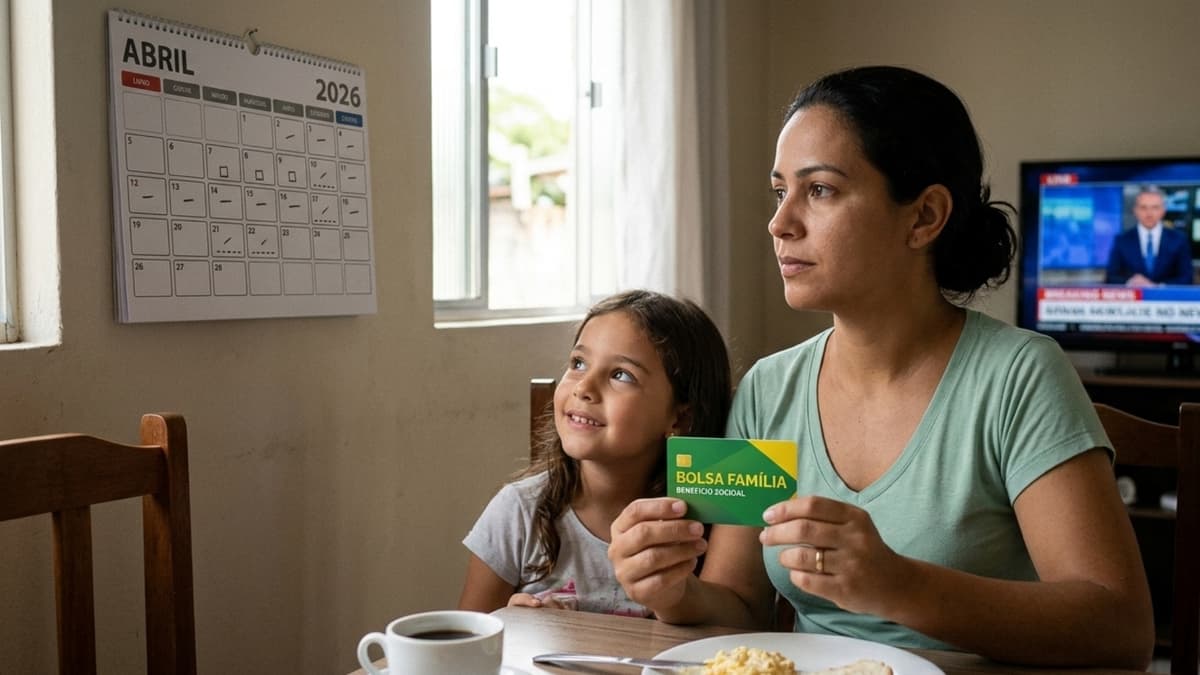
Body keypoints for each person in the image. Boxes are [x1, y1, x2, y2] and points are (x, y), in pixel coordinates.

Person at [607, 66, 1155, 670]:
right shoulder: (766, 388)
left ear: (924, 217)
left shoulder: (1021, 375)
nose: (779, 222)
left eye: (819, 190)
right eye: (778, 191)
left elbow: (1121, 629)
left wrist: (900, 586)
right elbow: (737, 603)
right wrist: (673, 590)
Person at [458, 289, 731, 615]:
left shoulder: (712, 521)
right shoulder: (519, 512)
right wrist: (512, 627)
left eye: (621, 375)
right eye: (578, 363)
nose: (583, 388)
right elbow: (470, 643)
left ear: (680, 416)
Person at [1104, 187, 1194, 286]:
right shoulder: (1122, 240)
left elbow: (1187, 278)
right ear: (1135, 211)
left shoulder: (1179, 240)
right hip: (1135, 299)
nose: (1149, 213)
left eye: (1155, 207)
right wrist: (1130, 282)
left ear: (1163, 210)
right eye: (1143, 207)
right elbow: (1111, 277)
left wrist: (1158, 287)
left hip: (1168, 300)